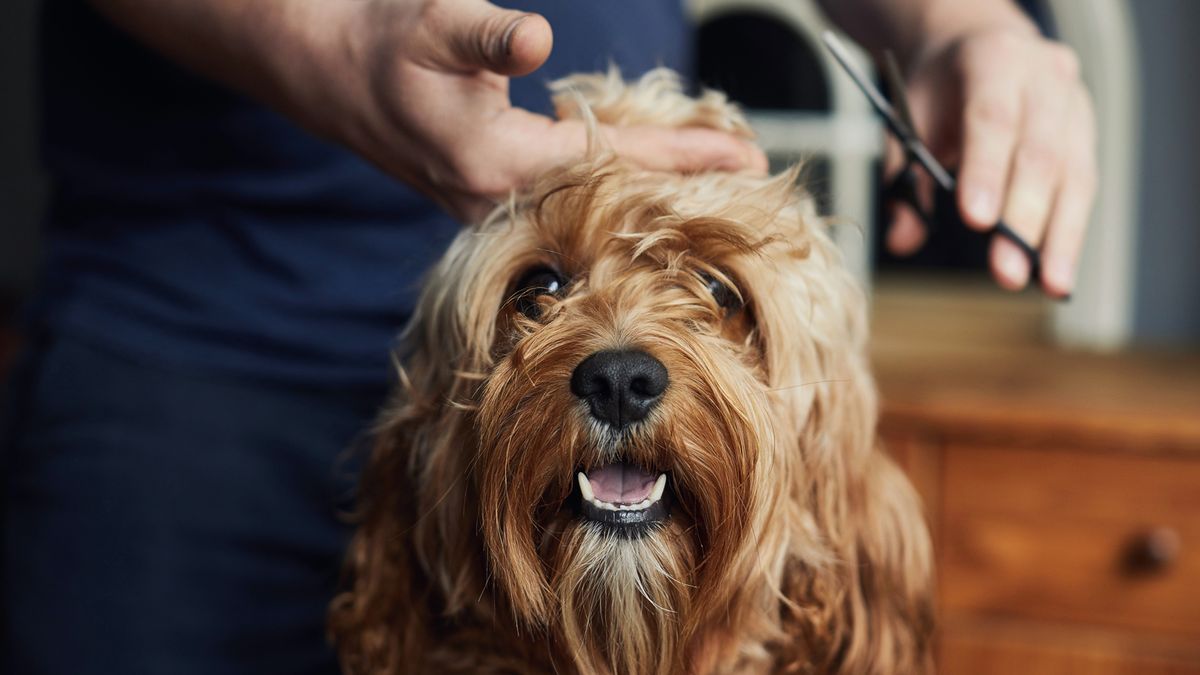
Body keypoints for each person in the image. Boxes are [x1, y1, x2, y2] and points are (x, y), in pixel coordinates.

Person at [0, 0, 1094, 672]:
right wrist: (333, 33)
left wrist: (964, 23)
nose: (619, 354)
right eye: (548, 293)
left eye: (714, 295)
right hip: (195, 340)